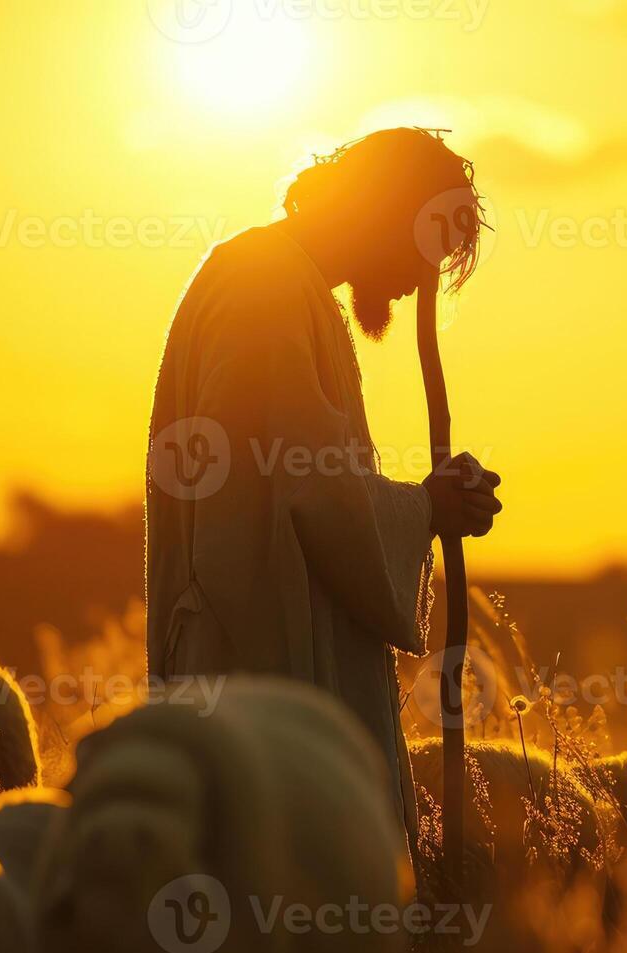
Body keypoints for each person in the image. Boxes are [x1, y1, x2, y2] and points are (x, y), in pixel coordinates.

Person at [145, 128, 501, 868]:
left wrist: (427, 506)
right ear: (381, 213)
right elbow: (307, 491)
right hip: (257, 679)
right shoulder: (266, 289)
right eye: (420, 247)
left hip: (259, 676)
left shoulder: (278, 281)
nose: (417, 280)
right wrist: (429, 511)